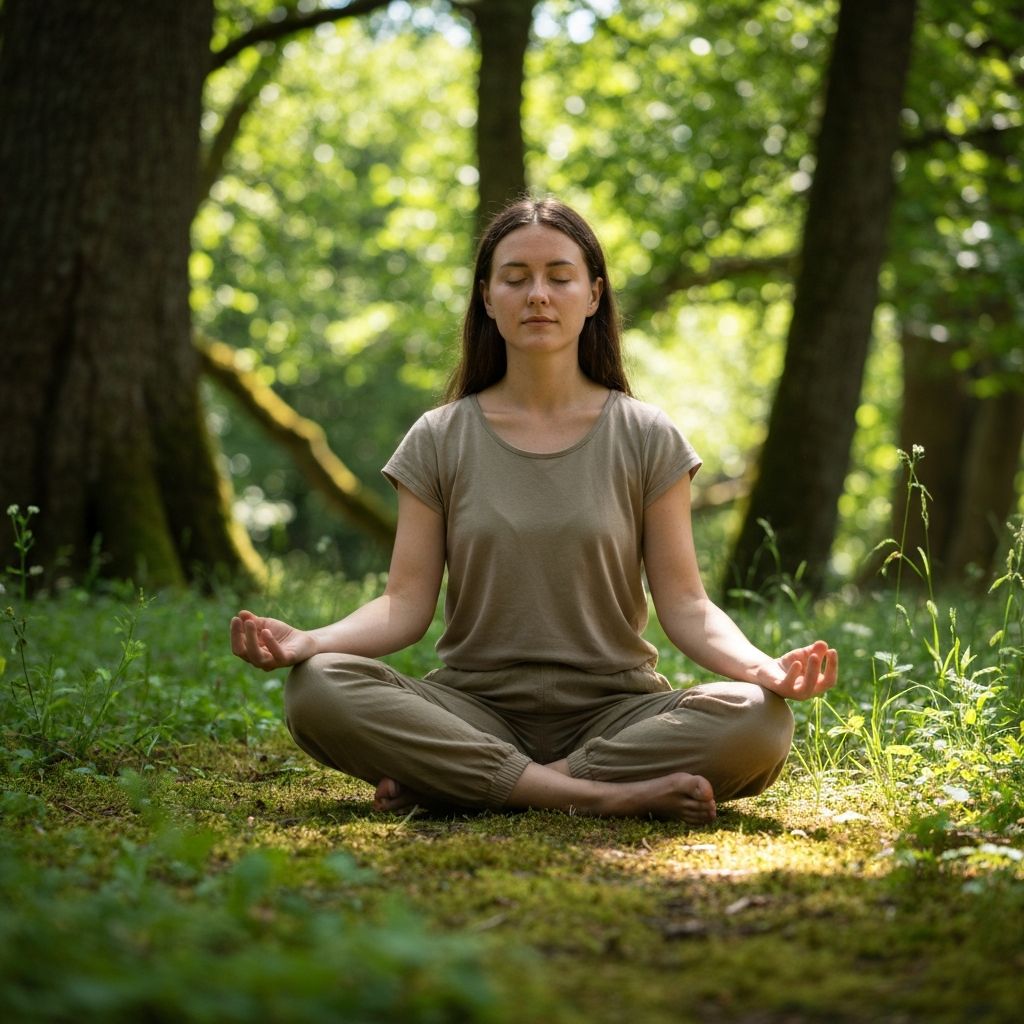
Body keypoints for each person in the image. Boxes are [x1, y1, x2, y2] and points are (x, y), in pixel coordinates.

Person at [230, 196, 838, 825]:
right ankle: (602, 798)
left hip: (616, 714)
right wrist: (310, 641)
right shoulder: (439, 437)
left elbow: (686, 606)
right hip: (473, 710)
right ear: (488, 299)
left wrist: (763, 667)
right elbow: (404, 606)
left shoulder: (647, 435)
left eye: (559, 277)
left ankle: (468, 784)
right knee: (319, 686)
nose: (538, 295)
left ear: (594, 295)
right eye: (515, 279)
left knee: (760, 718)